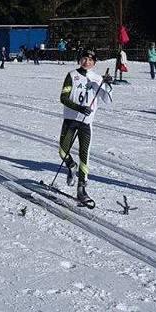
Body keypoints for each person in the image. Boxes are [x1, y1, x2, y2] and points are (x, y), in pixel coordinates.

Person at [58, 49, 113, 206]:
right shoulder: (72, 75)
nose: (87, 62)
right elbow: (63, 97)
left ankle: (81, 188)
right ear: (79, 60)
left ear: (94, 62)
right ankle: (71, 165)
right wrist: (79, 108)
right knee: (62, 151)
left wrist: (107, 83)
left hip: (86, 123)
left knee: (84, 154)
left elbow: (107, 99)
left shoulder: (97, 78)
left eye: (90, 60)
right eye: (84, 59)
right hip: (70, 119)